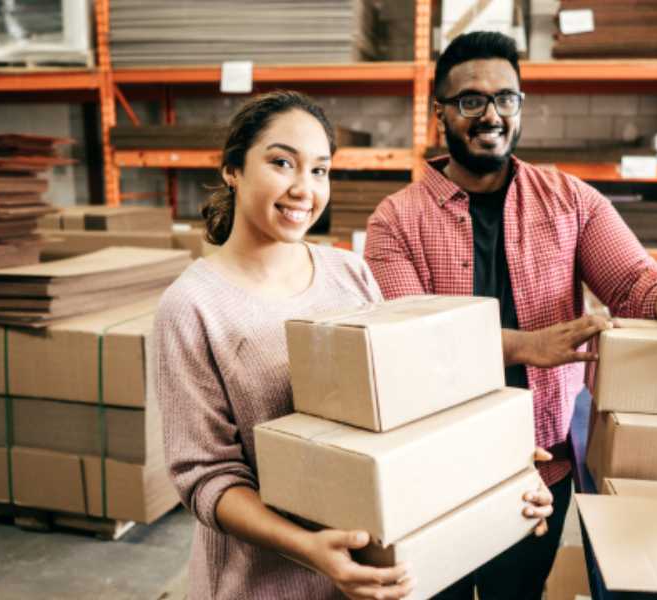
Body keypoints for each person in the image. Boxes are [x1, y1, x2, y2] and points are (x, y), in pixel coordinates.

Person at [364, 31, 657, 600]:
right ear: (440, 113)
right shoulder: (395, 220)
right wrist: (526, 346)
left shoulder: (570, 201)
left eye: (505, 98)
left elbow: (635, 282)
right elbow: (407, 341)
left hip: (538, 468)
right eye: (471, 101)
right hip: (433, 469)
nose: (491, 115)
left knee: (518, 594)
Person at [152, 90, 552, 600]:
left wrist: (500, 464)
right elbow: (205, 475)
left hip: (368, 577)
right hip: (261, 585)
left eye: (320, 170)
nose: (304, 189)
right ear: (233, 169)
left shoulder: (349, 274)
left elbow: (403, 412)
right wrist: (307, 548)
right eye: (282, 163)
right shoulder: (193, 305)